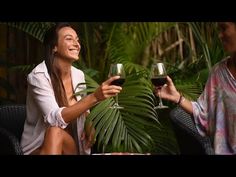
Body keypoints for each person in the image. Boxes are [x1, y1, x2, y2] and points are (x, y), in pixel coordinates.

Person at [20, 23, 122, 155]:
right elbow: (54, 119)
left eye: (77, 40)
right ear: (54, 47)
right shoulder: (39, 76)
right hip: (37, 148)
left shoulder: (78, 75)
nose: (76, 44)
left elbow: (83, 109)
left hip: (71, 145)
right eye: (69, 39)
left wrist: (89, 124)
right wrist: (95, 97)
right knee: (55, 131)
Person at [154, 22, 236, 155]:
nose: (220, 35)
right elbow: (204, 113)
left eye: (224, 28)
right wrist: (177, 97)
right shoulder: (218, 73)